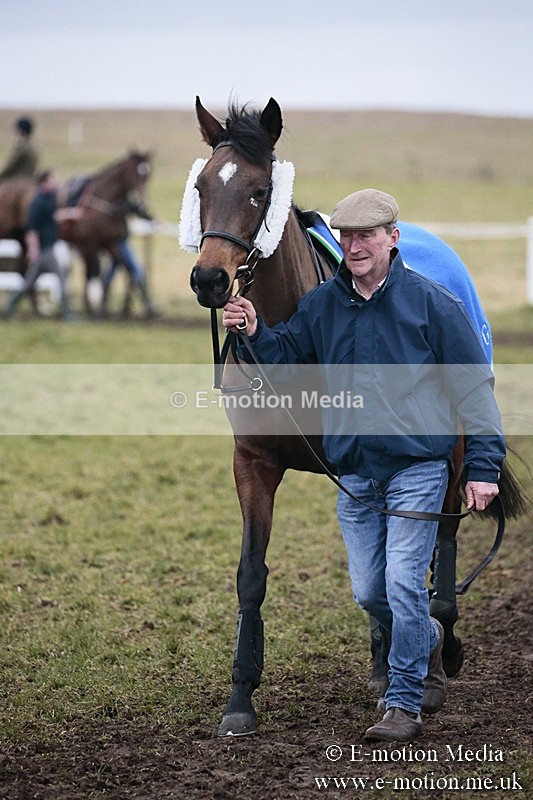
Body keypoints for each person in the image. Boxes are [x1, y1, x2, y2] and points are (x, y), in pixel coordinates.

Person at [222, 188, 505, 743]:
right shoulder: (323, 305)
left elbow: (474, 389)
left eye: (367, 237)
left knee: (401, 584)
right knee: (371, 592)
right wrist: (254, 330)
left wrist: (483, 467)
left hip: (418, 469)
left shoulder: (432, 304)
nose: (355, 247)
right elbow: (285, 359)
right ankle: (425, 637)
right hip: (355, 476)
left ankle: (402, 703)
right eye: (347, 237)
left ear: (392, 239)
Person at [2, 170, 73, 319]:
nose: (54, 183)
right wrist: (33, 249)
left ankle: (8, 308)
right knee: (60, 277)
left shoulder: (49, 199)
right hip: (43, 250)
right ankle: (68, 313)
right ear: (44, 183)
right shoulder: (37, 202)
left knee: (29, 282)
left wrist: (73, 213)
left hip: (47, 248)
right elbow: (31, 229)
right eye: (52, 181)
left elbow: (55, 215)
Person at [0, 116, 38, 181]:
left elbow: (11, 166)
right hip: (29, 179)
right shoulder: (33, 146)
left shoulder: (21, 146)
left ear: (20, 130)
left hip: (18, 180)